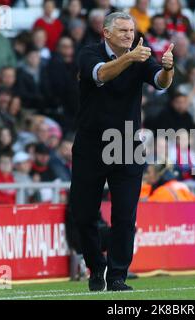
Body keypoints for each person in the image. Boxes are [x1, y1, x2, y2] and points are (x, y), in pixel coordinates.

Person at [70, 12, 174, 291]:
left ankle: (117, 276)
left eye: (132, 30)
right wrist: (130, 57)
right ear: (106, 33)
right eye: (124, 30)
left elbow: (161, 83)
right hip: (91, 144)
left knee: (125, 215)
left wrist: (167, 69)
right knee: (83, 214)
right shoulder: (89, 54)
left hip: (127, 145)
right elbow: (101, 75)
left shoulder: (139, 56)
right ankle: (96, 267)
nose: (130, 34)